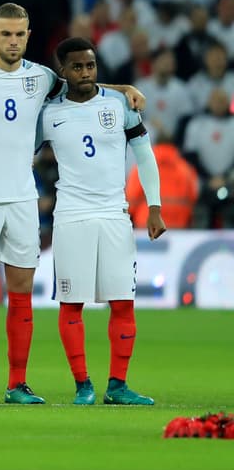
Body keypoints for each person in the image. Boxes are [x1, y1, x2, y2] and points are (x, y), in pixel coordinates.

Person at [0, 2, 146, 404]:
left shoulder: (41, 78)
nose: (13, 41)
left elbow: (83, 88)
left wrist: (122, 90)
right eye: (6, 34)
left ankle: (17, 384)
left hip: (23, 198)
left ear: (28, 34)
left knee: (21, 293)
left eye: (20, 34)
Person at [38, 37, 165, 406]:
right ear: (63, 71)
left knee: (123, 302)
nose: (85, 73)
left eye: (90, 66)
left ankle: (118, 385)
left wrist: (154, 206)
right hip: (71, 216)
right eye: (76, 67)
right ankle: (83, 385)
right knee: (71, 304)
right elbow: (21, 153)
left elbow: (145, 155)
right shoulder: (48, 113)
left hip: (115, 214)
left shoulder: (120, 104)